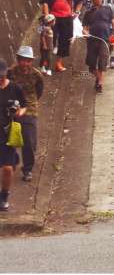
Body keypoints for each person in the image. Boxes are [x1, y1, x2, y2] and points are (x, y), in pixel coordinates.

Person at [7, 47, 44, 182]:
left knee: (29, 141)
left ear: (31, 61)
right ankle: (9, 164)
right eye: (22, 60)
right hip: (12, 108)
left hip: (29, 108)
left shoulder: (36, 75)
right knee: (8, 139)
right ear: (18, 60)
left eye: (28, 61)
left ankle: (27, 169)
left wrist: (30, 104)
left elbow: (39, 91)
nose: (25, 63)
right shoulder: (10, 72)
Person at [0, 58, 28, 211]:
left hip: (6, 133)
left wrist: (17, 113)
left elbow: (24, 106)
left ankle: (4, 196)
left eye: (2, 76)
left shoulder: (15, 88)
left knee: (7, 169)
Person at [83, 0, 114, 93]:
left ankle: (99, 84)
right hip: (92, 40)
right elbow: (85, 28)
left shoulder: (108, 9)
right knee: (91, 64)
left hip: (105, 40)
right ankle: (98, 78)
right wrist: (85, 33)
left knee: (103, 62)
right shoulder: (88, 13)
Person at [40, 0, 75, 73]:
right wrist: (47, 18)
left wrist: (76, 11)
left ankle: (59, 62)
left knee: (66, 40)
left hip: (67, 17)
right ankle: (45, 63)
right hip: (54, 18)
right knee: (49, 40)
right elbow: (45, 3)